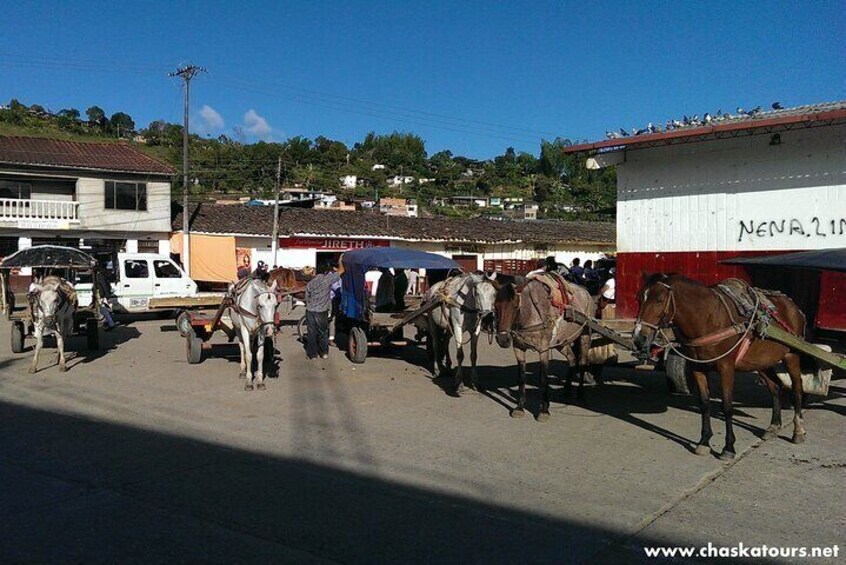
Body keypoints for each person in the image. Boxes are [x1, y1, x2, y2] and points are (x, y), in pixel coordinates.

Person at [304, 264, 343, 359]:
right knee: (323, 333)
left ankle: (312, 355)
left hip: (310, 311)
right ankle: (324, 353)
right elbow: (341, 271)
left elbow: (306, 298)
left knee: (311, 333)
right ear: (325, 273)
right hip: (322, 311)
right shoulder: (327, 280)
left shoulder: (310, 283)